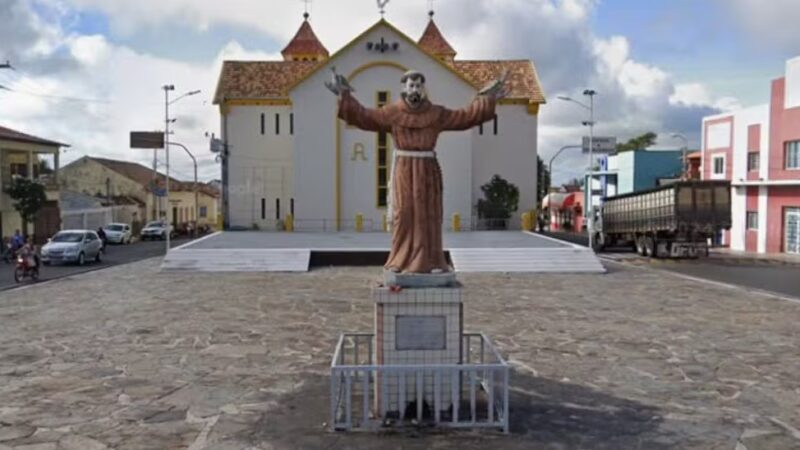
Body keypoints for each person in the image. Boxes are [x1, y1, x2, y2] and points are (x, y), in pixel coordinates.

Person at [328, 68, 508, 274]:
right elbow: (365, 116)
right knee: (403, 213)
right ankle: (399, 260)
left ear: (424, 89)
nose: (415, 89)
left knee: (428, 214)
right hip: (404, 169)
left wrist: (487, 99)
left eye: (419, 85)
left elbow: (464, 117)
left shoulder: (437, 114)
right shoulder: (391, 113)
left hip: (427, 170)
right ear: (404, 88)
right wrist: (344, 95)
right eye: (411, 85)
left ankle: (432, 262)